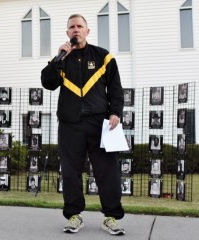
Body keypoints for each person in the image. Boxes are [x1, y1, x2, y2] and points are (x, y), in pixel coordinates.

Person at [41, 14, 125, 235]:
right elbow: (47, 83)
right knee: (70, 172)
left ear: (88, 31)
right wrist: (57, 59)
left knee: (108, 172)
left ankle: (111, 217)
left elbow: (116, 88)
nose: (75, 30)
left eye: (80, 26)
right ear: (67, 33)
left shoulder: (103, 57)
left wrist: (116, 112)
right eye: (71, 27)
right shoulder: (62, 59)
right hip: (70, 125)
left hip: (100, 124)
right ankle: (74, 215)